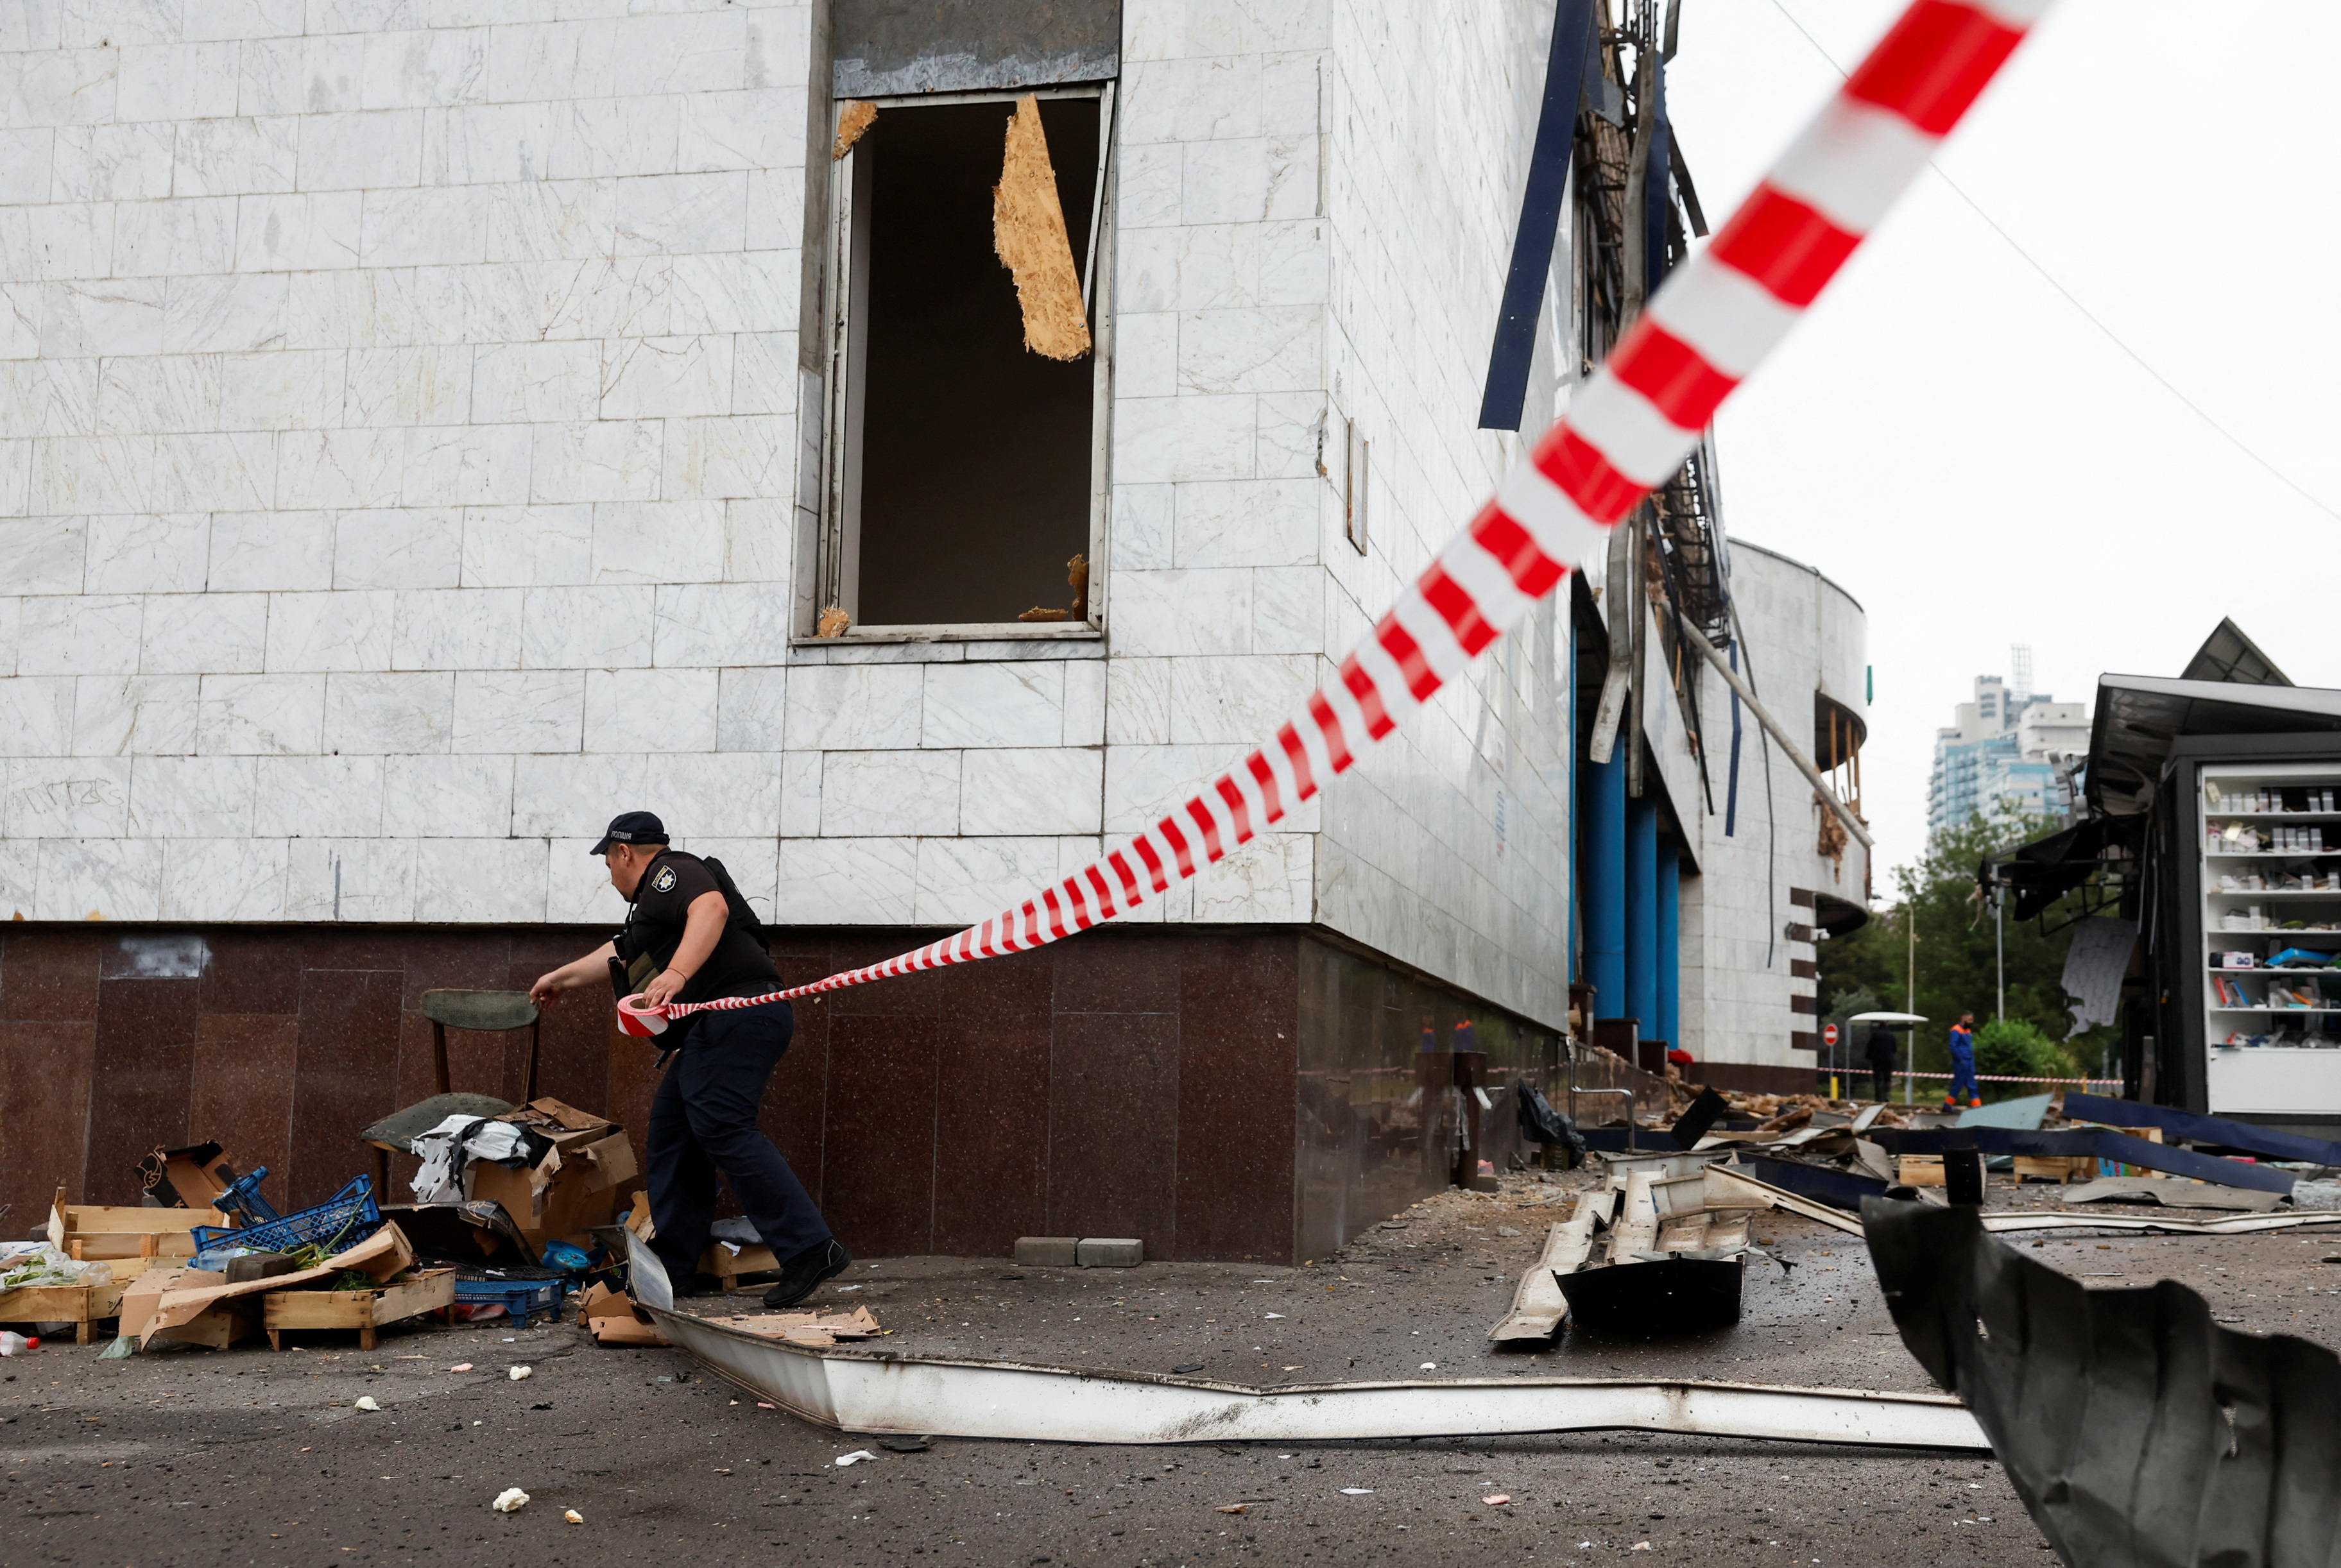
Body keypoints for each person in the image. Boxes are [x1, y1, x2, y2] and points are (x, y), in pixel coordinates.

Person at [529, 812, 849, 1309]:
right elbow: (618, 953)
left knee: (723, 1126)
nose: (609, 874)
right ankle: (675, 1270)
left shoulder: (670, 872)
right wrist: (560, 979)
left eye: (608, 863)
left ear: (624, 853)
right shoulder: (652, 913)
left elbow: (712, 907)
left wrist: (677, 973)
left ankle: (810, 1248)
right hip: (717, 1026)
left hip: (740, 1014)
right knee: (675, 1130)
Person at [1945, 1012, 1980, 1108]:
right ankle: (1947, 1106)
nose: (1972, 1022)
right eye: (1970, 1020)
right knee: (1958, 1085)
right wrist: (1960, 1059)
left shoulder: (1968, 1031)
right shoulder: (1956, 1030)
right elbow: (1953, 1046)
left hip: (1969, 1060)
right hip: (1961, 1062)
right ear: (1963, 1019)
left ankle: (1977, 1107)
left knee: (1972, 1085)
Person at [1864, 1025, 1898, 1102]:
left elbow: (1870, 1047)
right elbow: (1895, 1049)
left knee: (1878, 1079)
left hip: (1877, 1060)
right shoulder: (1891, 1035)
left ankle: (1878, 1097)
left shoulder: (1875, 1035)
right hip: (1888, 1061)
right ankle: (1887, 1094)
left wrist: (1868, 1057)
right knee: (1887, 1079)